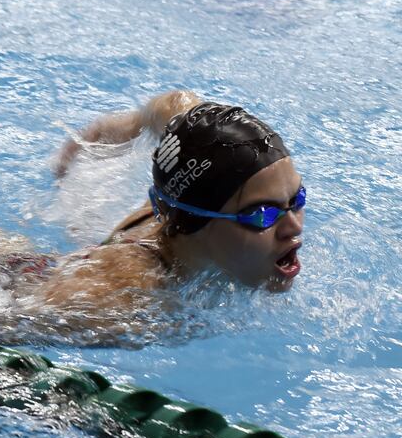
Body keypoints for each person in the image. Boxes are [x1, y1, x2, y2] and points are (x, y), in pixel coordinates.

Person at [33, 90, 306, 315]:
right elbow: (10, 320)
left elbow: (176, 105)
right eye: (262, 214)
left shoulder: (200, 170)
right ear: (197, 222)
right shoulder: (128, 295)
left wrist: (101, 133)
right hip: (23, 274)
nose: (293, 227)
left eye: (296, 199)